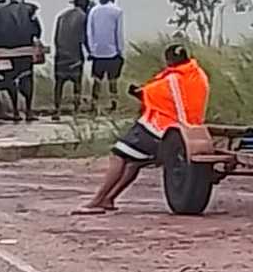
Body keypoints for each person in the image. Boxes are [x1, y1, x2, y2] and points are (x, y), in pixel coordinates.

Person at [74, 44, 209, 215]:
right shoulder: (198, 75)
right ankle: (109, 198)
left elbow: (158, 95)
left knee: (118, 154)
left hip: (163, 128)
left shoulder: (173, 79)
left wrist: (142, 93)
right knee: (134, 162)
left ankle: (97, 200)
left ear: (168, 61)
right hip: (190, 127)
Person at [1, 0, 41, 122]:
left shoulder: (2, 10)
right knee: (27, 78)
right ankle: (29, 110)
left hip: (8, 51)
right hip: (25, 50)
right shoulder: (30, 9)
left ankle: (16, 111)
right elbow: (37, 30)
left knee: (11, 79)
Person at [52, 0, 91, 120]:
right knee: (77, 83)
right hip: (75, 55)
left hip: (61, 54)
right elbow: (84, 38)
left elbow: (56, 37)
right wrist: (90, 52)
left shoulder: (62, 16)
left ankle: (57, 110)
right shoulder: (83, 17)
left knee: (59, 83)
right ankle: (76, 110)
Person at [87, 0, 125, 113]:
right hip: (112, 51)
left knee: (97, 80)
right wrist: (120, 50)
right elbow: (118, 33)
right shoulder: (117, 11)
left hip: (97, 52)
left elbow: (89, 32)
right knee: (112, 80)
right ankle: (114, 104)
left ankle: (94, 104)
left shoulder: (93, 10)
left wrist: (92, 49)